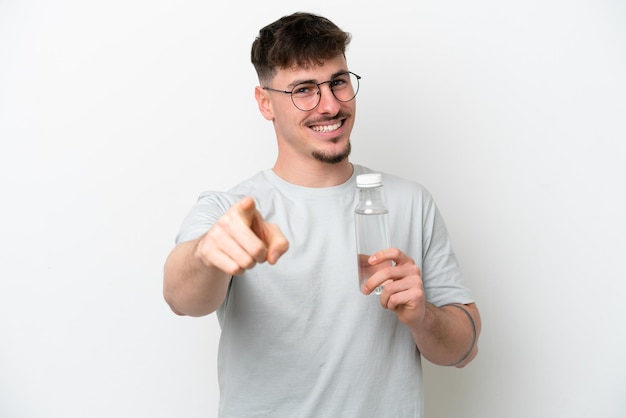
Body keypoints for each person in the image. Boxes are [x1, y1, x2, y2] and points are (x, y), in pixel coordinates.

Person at [163, 11, 481, 417]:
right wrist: (207, 253)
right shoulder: (229, 212)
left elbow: (464, 349)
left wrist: (422, 317)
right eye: (304, 90)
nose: (330, 105)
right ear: (266, 103)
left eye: (338, 82)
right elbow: (181, 297)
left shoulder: (410, 201)